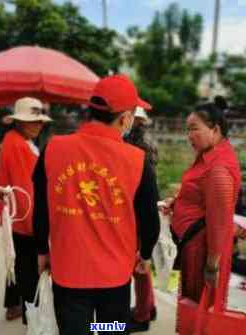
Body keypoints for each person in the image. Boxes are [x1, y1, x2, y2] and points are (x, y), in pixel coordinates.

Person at [33, 74, 160, 335]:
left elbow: (41, 207)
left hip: (68, 271)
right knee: (110, 329)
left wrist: (41, 250)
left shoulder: (53, 148)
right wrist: (145, 255)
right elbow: (150, 220)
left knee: (75, 330)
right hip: (114, 277)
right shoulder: (137, 161)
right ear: (124, 119)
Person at [160, 102, 241, 330]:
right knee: (194, 303)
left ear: (215, 130)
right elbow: (202, 199)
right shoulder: (208, 156)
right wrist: (178, 203)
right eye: (187, 129)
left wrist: (212, 265)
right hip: (193, 246)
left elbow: (218, 221)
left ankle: (108, 326)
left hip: (202, 250)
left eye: (194, 128)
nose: (188, 135)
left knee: (199, 304)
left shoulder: (218, 167)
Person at [0, 97, 52, 324]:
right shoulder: (18, 145)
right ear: (19, 122)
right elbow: (25, 186)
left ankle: (14, 305)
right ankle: (30, 316)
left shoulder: (16, 140)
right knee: (28, 268)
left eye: (39, 121)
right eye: (32, 121)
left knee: (17, 262)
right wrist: (37, 221)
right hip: (25, 215)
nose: (38, 125)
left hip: (17, 214)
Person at [124, 106, 158, 333]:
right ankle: (148, 307)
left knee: (139, 265)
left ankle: (142, 314)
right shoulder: (140, 139)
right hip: (141, 208)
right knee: (141, 264)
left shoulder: (137, 145)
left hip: (136, 209)